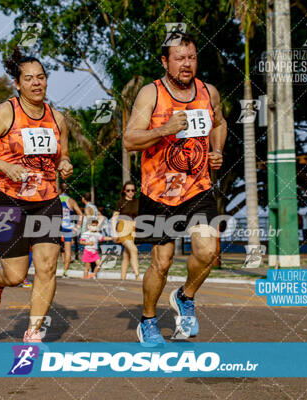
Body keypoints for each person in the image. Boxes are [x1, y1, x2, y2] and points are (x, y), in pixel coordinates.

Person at [123, 32, 227, 346]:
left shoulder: (208, 92)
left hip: (198, 187)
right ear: (165, 62)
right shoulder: (150, 95)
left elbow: (219, 123)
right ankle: (149, 319)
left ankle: (185, 296)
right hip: (159, 192)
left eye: (191, 57)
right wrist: (166, 128)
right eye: (179, 58)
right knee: (162, 262)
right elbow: (130, 140)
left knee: (209, 251)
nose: (186, 64)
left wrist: (217, 150)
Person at [0, 47, 73, 342]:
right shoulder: (5, 112)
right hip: (8, 199)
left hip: (47, 200)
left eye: (41, 77)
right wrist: (4, 166)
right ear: (17, 83)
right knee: (15, 275)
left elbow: (62, 153)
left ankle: (33, 331)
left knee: (48, 266)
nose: (36, 83)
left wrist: (64, 162)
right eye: (29, 79)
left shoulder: (56, 117)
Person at [112, 181, 140, 281]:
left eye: (133, 190)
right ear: (124, 191)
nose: (130, 192)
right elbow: (114, 217)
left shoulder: (137, 202)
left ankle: (122, 278)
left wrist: (136, 231)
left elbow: (137, 217)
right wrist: (114, 232)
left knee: (126, 255)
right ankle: (137, 275)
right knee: (134, 250)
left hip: (133, 229)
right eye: (128, 190)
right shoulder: (120, 202)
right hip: (122, 228)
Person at [58, 183, 83, 277]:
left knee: (55, 249)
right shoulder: (71, 201)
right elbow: (81, 214)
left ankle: (51, 271)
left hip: (57, 227)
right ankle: (65, 272)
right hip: (68, 228)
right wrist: (78, 226)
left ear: (60, 190)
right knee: (68, 250)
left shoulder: (56, 199)